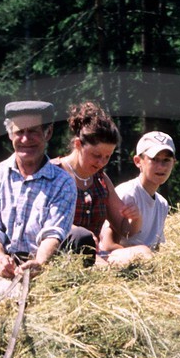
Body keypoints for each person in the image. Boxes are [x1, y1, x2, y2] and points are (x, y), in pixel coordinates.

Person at [0, 100, 84, 283]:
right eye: (19, 132)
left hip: (40, 260)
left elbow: (54, 232)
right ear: (10, 134)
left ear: (47, 133)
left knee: (82, 237)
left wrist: (39, 262)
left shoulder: (63, 182)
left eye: (33, 131)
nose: (25, 139)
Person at [52, 102, 139, 261]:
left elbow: (124, 229)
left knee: (143, 252)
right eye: (96, 155)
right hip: (63, 257)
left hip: (96, 256)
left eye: (107, 156)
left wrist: (135, 218)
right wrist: (80, 235)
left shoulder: (101, 179)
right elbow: (40, 223)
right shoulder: (53, 173)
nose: (101, 163)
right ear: (78, 144)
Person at [100, 131, 176, 268]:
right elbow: (107, 244)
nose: (161, 167)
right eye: (154, 159)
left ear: (173, 163)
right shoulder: (127, 194)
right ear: (138, 161)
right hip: (118, 262)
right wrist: (141, 259)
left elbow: (156, 246)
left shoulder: (162, 204)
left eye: (166, 160)